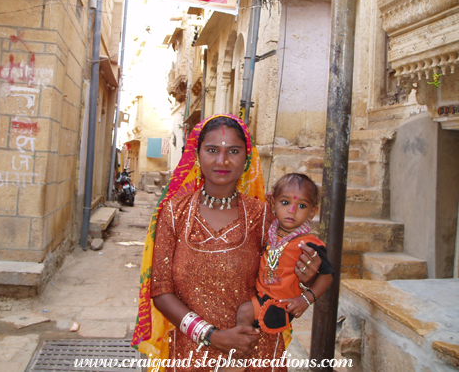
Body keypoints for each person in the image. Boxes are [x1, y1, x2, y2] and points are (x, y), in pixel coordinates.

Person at [131, 114, 322, 371]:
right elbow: (161, 292)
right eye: (212, 150)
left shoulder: (265, 216)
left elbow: (284, 276)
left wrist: (307, 276)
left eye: (233, 151)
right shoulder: (175, 213)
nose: (222, 160)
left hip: (254, 352)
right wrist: (211, 336)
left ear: (246, 158)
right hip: (192, 354)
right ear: (197, 155)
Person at [221, 173, 334, 372]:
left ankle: (238, 360)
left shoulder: (309, 243)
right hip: (264, 295)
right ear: (273, 205)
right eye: (284, 202)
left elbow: (328, 275)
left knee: (244, 312)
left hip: (279, 303)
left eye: (301, 206)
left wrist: (306, 299)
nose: (292, 211)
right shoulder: (272, 233)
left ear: (312, 212)